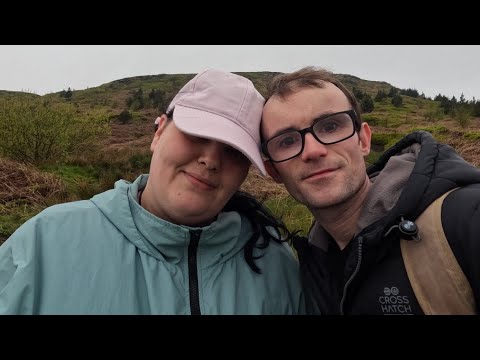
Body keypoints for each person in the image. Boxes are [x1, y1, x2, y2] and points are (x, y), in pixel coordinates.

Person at [0, 69, 305, 315]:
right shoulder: (45, 243)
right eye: (196, 134)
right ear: (159, 132)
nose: (211, 160)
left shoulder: (275, 265)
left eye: (235, 151)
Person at [260, 66, 480, 315]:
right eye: (287, 141)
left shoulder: (466, 219)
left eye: (330, 126)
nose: (312, 151)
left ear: (363, 140)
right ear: (274, 171)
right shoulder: (310, 268)